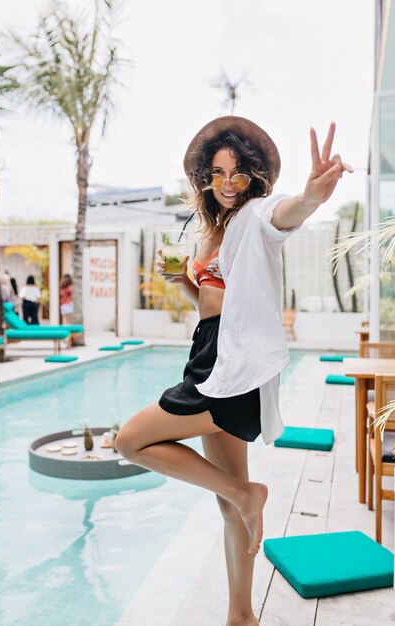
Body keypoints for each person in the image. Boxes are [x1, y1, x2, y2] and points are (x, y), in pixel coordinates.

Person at [115, 116, 352, 626]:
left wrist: (311, 197)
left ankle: (249, 494)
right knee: (227, 501)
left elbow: (283, 216)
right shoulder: (212, 231)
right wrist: (183, 280)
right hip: (209, 349)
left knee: (129, 440)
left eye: (239, 173)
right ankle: (242, 615)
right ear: (205, 177)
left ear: (255, 179)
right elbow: (210, 303)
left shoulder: (254, 218)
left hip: (231, 360)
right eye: (218, 172)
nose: (227, 183)